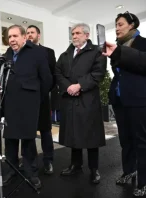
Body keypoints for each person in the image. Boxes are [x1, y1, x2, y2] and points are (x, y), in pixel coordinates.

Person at [55, 23, 106, 184]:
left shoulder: (97, 52)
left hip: (88, 100)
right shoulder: (65, 54)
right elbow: (57, 72)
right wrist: (68, 86)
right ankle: (75, 165)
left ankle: (94, 169)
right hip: (70, 100)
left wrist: (79, 85)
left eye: (77, 33)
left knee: (91, 136)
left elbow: (98, 73)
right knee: (73, 134)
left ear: (87, 35)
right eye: (73, 33)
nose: (74, 36)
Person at [2, 25, 52, 188]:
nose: (12, 40)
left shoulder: (37, 53)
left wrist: (36, 98)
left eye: (15, 36)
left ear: (24, 37)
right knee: (10, 140)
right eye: (9, 37)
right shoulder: (7, 54)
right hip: (9, 103)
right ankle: (11, 170)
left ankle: (31, 173)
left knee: (28, 140)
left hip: (29, 103)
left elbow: (47, 80)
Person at [106, 12, 146, 197]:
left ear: (132, 25)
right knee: (126, 140)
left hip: (140, 99)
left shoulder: (145, 43)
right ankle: (129, 170)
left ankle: (145, 181)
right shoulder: (118, 47)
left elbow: (145, 63)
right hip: (120, 100)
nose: (117, 28)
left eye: (120, 24)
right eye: (115, 24)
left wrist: (119, 52)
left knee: (142, 142)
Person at [26, 25, 55, 174]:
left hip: (43, 98)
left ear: (39, 34)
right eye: (27, 33)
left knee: (46, 131)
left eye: (32, 32)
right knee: (29, 132)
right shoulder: (23, 52)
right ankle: (32, 162)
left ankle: (48, 160)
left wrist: (43, 92)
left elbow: (52, 76)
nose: (30, 35)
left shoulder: (48, 52)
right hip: (27, 100)